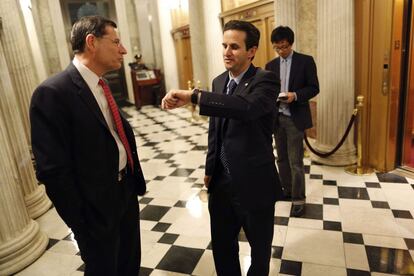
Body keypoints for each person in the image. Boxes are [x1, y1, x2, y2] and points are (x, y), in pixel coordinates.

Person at [162, 20, 283, 276]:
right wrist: (209, 169)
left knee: (260, 253)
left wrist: (195, 96)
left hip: (255, 183)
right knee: (223, 248)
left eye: (235, 47)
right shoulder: (218, 82)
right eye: (224, 45)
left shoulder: (267, 80)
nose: (227, 52)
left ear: (251, 51)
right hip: (221, 183)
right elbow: (215, 132)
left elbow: (245, 108)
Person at [30, 16, 146, 276]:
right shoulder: (52, 93)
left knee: (129, 264)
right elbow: (52, 170)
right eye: (116, 41)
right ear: (91, 42)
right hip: (93, 207)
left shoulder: (101, 85)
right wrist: (81, 223)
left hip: (124, 192)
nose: (124, 49)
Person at [265, 26, 319, 217]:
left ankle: (298, 199)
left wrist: (295, 95)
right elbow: (268, 91)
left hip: (294, 118)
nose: (281, 51)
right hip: (277, 119)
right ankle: (286, 191)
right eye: (277, 47)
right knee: (282, 159)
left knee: (296, 161)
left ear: (291, 43)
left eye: (284, 47)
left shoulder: (305, 61)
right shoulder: (270, 65)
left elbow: (314, 88)